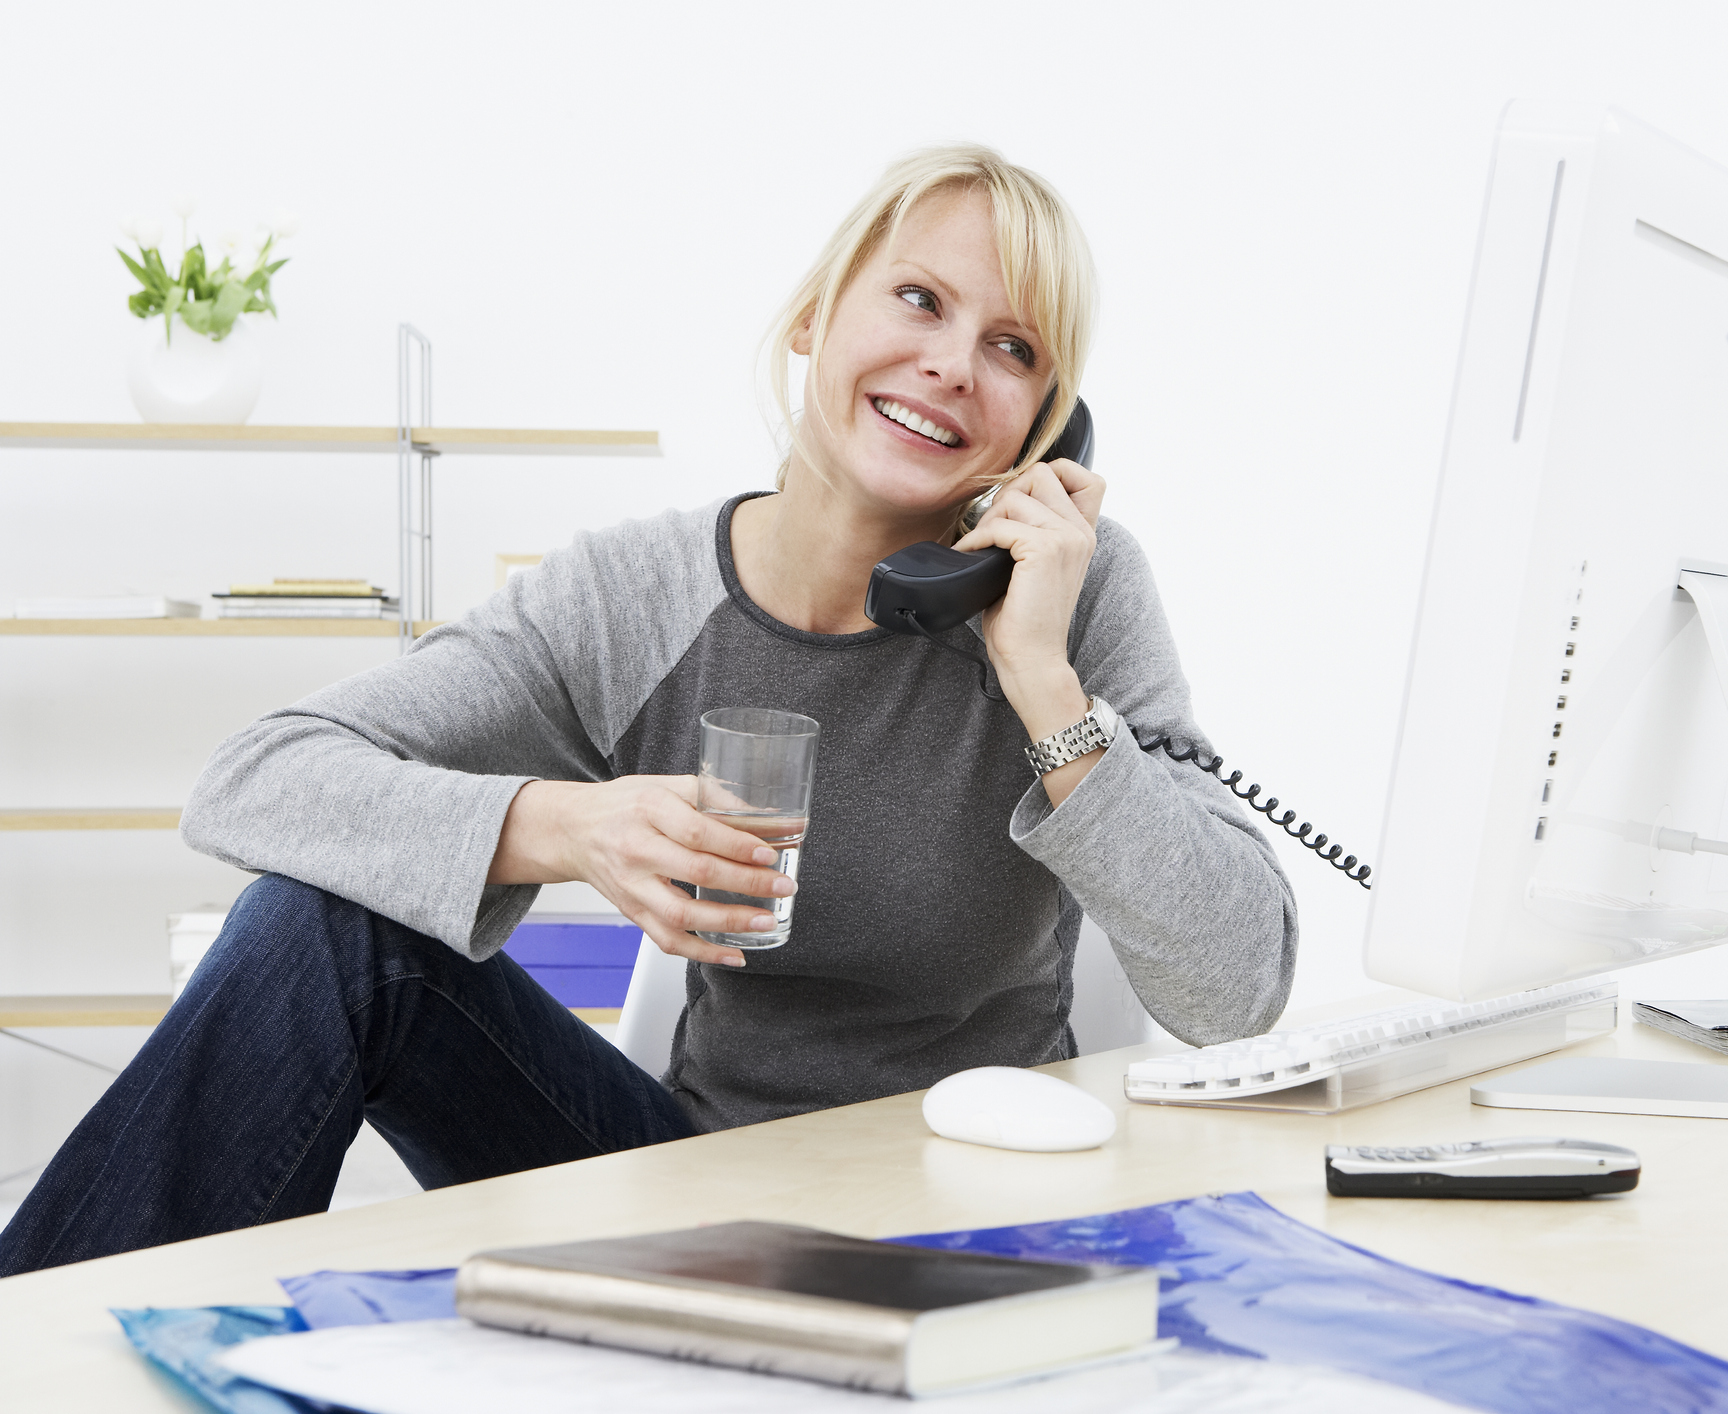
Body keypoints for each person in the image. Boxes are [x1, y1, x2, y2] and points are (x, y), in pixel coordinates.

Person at [0, 145, 1296, 1277]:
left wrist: (1042, 681)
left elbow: (1235, 986)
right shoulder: (636, 596)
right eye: (918, 298)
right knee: (327, 925)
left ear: (1044, 425)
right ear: (812, 318)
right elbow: (254, 779)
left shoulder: (1072, 590)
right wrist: (565, 827)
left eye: (1012, 348)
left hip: (973, 1223)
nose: (952, 364)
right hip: (695, 1184)